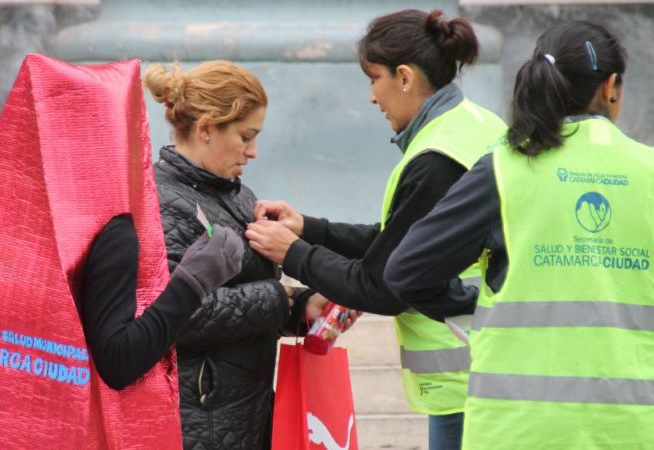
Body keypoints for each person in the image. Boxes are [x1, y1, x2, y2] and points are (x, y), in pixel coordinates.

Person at [245, 10, 506, 450]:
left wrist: (292, 253)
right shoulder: (477, 125)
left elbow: (383, 284)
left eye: (373, 79)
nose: (371, 97)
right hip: (489, 363)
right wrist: (309, 229)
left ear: (404, 77)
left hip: (467, 375)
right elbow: (399, 242)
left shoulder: (436, 160)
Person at [384, 21, 652, 449]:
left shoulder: (505, 168)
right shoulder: (649, 173)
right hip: (631, 428)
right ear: (611, 87)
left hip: (515, 428)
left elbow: (406, 272)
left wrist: (482, 313)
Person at [143, 60, 336, 449]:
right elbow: (174, 317)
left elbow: (245, 297)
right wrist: (280, 300)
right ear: (206, 128)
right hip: (200, 419)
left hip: (243, 410)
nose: (253, 152)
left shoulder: (234, 193)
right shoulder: (162, 201)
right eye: (246, 136)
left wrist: (303, 306)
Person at [80, 214, 243, 390]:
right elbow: (117, 359)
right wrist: (275, 296)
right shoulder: (120, 217)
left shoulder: (245, 202)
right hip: (185, 395)